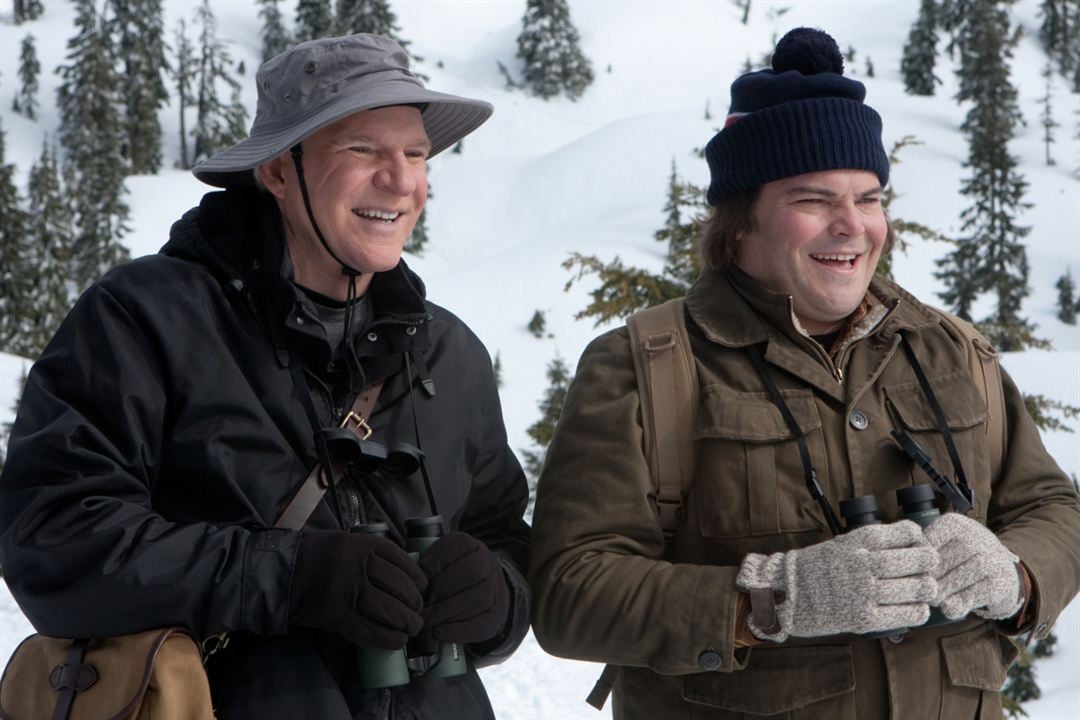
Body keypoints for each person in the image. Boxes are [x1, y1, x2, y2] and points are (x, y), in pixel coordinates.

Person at [529, 27, 1080, 720]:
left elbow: (1053, 509)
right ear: (738, 225)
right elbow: (568, 593)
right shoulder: (645, 366)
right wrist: (770, 598)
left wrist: (1018, 573)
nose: (852, 225)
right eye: (813, 200)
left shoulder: (951, 348)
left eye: (870, 197)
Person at [0, 34, 530, 719]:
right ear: (280, 172)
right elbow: (53, 534)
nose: (402, 181)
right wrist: (289, 578)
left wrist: (497, 596)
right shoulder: (146, 318)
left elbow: (505, 537)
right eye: (363, 150)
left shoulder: (449, 353)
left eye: (416, 154)